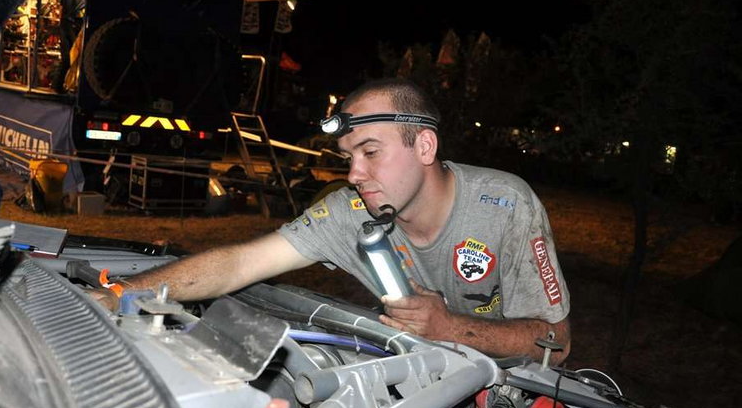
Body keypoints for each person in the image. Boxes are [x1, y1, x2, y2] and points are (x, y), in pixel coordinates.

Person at [93, 78, 571, 363]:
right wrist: (120, 295)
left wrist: (451, 327)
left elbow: (557, 344)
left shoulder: (505, 204)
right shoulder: (351, 211)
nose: (353, 174)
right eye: (347, 156)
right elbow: (238, 264)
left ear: (424, 146)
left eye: (370, 152)